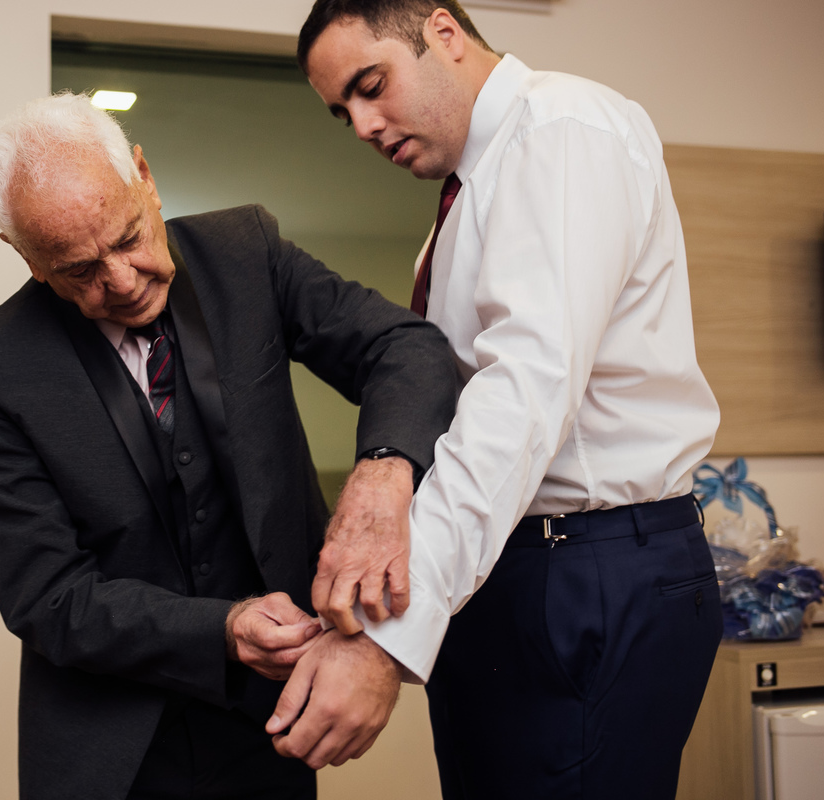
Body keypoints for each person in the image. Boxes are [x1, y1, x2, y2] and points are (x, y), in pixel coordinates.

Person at [0, 92, 457, 800]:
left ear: (144, 177)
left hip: (273, 727)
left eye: (126, 239)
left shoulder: (245, 252)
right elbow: (47, 597)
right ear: (26, 258)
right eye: (79, 270)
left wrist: (383, 473)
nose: (121, 282)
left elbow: (404, 348)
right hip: (110, 755)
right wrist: (223, 626)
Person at [281, 1, 724, 797]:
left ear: (445, 34)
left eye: (371, 85)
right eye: (342, 110)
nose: (362, 125)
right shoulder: (468, 195)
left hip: (590, 570)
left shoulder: (559, 130)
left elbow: (523, 391)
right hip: (526, 569)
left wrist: (386, 641)